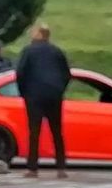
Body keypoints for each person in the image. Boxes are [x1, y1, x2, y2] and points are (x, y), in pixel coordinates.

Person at [16, 24, 71, 178]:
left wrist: (24, 92)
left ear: (40, 34)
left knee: (34, 132)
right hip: (54, 95)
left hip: (34, 96)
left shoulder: (29, 51)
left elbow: (20, 73)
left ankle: (32, 167)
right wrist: (60, 89)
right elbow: (66, 73)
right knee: (56, 131)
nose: (31, 34)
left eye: (34, 32)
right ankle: (61, 167)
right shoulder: (57, 51)